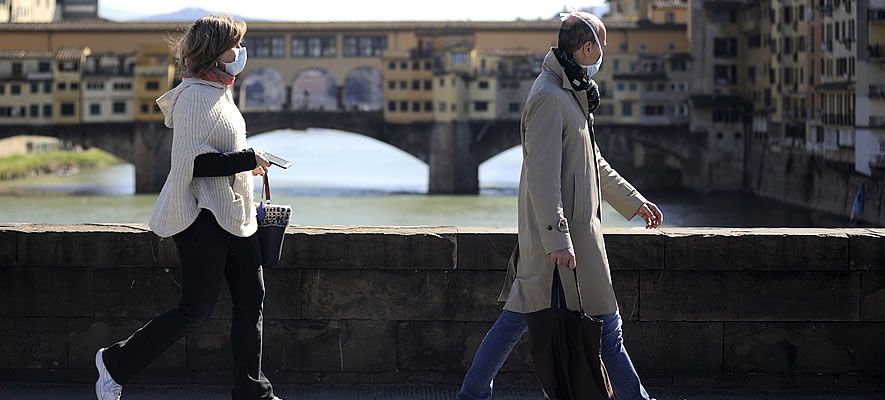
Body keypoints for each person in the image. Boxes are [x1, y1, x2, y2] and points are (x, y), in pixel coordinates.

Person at [457, 11, 664, 400]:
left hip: (568, 239)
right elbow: (543, 176)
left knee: (517, 320)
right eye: (602, 45)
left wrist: (633, 202)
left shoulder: (569, 92)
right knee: (607, 329)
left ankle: (471, 394)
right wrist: (557, 240)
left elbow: (592, 162)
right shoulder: (550, 97)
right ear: (586, 48)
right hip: (565, 243)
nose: (604, 53)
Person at [93, 15, 282, 400]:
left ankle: (254, 392)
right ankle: (115, 363)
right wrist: (247, 159)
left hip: (235, 214)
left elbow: (217, 151)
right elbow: (190, 163)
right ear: (214, 52)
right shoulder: (195, 96)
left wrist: (247, 161)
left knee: (251, 300)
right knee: (195, 310)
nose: (240, 52)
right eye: (234, 46)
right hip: (202, 217)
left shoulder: (220, 91)